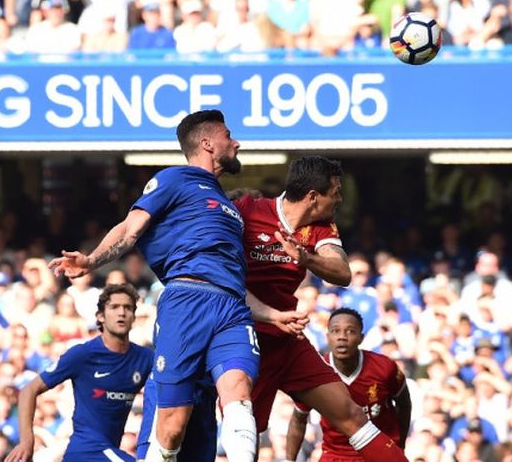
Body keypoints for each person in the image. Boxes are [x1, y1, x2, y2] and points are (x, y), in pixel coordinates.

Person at [47, 110, 296, 462]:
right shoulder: (175, 179)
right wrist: (91, 260)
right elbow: (130, 228)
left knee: (239, 395)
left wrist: (272, 315)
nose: (236, 142)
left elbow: (233, 281)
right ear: (208, 143)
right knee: (173, 426)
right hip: (187, 301)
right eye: (229, 135)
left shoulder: (228, 207)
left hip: (232, 309)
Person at [234, 156, 411, 461]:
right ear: (314, 197)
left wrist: (306, 259)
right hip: (247, 337)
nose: (340, 199)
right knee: (246, 432)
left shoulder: (320, 226)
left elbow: (342, 272)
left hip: (289, 339)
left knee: (351, 414)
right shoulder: (248, 211)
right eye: (336, 191)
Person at [4, 284, 153, 462]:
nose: (121, 312)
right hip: (86, 451)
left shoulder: (145, 358)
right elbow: (29, 390)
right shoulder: (83, 354)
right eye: (114, 307)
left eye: (127, 307)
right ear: (101, 317)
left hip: (110, 450)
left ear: (133, 316)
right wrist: (27, 441)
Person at [285, 308, 412, 460]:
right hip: (337, 454)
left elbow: (404, 403)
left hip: (380, 448)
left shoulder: (384, 367)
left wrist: (400, 445)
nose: (342, 337)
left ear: (361, 337)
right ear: (327, 337)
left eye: (350, 331)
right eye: (335, 331)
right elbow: (298, 419)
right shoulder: (315, 373)